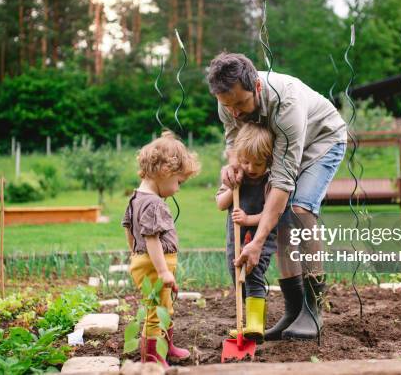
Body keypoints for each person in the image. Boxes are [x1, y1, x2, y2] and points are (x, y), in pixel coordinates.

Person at [207, 52, 347, 340]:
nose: (234, 112)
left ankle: (313, 308)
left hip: (321, 141)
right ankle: (293, 310)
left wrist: (257, 242)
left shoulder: (287, 105)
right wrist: (232, 165)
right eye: (227, 105)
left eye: (240, 104)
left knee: (298, 210)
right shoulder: (229, 102)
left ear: (256, 87)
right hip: (278, 150)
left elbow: (282, 182)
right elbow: (234, 139)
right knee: (281, 219)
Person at [122, 131, 200, 367]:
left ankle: (167, 346)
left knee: (163, 306)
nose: (177, 189)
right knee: (155, 312)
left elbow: (128, 228)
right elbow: (152, 239)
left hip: (144, 262)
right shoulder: (154, 203)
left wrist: (134, 252)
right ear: (165, 172)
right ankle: (152, 358)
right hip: (156, 266)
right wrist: (164, 270)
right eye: (178, 182)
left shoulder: (136, 198)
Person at [215, 123, 277, 343]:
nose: (251, 168)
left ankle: (255, 326)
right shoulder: (234, 177)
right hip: (236, 239)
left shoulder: (270, 182)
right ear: (238, 157)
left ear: (268, 160)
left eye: (258, 163)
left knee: (253, 273)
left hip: (260, 238)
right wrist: (233, 188)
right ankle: (247, 322)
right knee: (237, 276)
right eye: (246, 161)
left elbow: (273, 212)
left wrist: (249, 219)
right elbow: (220, 204)